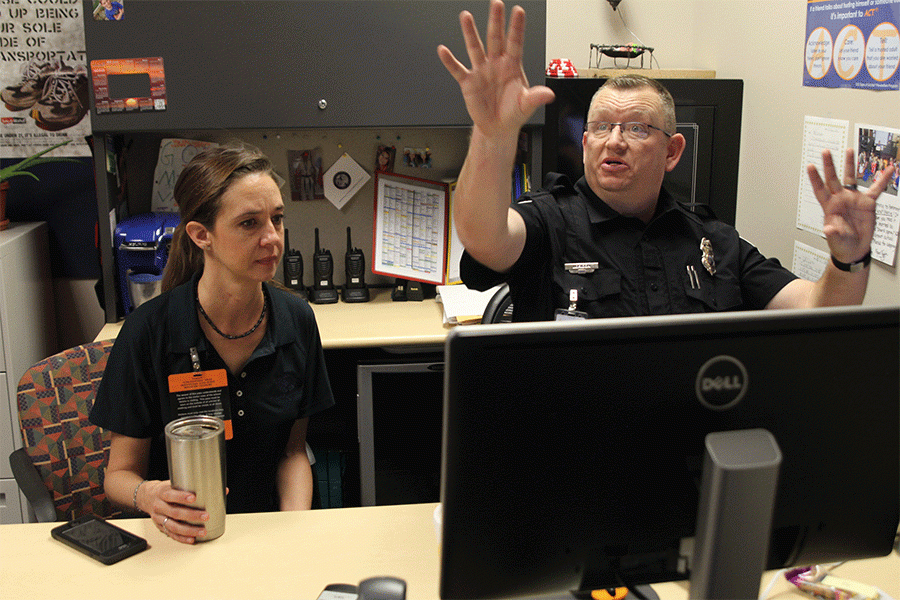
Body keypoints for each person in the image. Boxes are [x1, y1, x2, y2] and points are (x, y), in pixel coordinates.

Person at [437, 0, 896, 321]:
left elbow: (820, 309)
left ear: (673, 150)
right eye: (599, 127)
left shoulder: (715, 244)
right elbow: (484, 236)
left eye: (637, 128)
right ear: (584, 143)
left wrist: (849, 257)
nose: (613, 141)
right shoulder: (549, 223)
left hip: (689, 449)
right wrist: (494, 136)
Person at [90, 144, 335, 544]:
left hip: (269, 531)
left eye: (277, 219)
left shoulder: (297, 320)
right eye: (249, 224)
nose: (272, 238)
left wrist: (295, 535)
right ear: (202, 235)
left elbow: (293, 452)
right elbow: (119, 477)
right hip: (182, 536)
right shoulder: (148, 332)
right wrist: (149, 494)